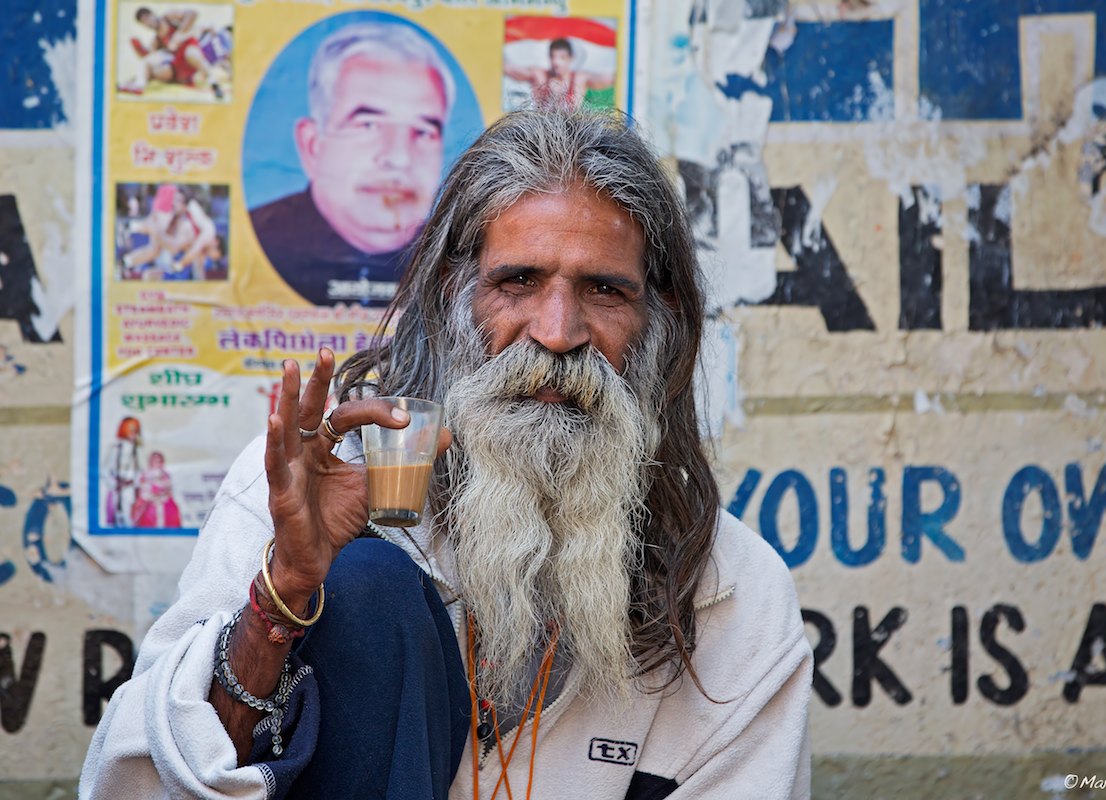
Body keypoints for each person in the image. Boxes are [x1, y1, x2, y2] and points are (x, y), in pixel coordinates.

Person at [82, 109, 813, 799]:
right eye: (518, 281)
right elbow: (130, 787)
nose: (558, 332)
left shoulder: (733, 594)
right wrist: (284, 597)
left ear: (660, 323)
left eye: (604, 290)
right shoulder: (314, 491)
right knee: (364, 586)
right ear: (451, 298)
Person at [250, 23, 453, 307]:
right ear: (312, 146)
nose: (399, 157)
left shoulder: (461, 258)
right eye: (368, 125)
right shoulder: (259, 241)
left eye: (423, 132)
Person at [121, 7, 226, 100]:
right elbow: (148, 59)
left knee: (190, 52)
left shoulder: (169, 17)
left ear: (152, 14)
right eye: (144, 23)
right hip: (180, 68)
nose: (147, 23)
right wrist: (138, 49)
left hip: (193, 53)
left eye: (147, 19)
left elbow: (192, 13)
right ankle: (137, 84)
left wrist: (178, 34)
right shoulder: (156, 40)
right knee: (154, 70)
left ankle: (214, 82)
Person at [120, 183, 221, 280]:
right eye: (214, 256)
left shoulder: (202, 250)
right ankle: (130, 227)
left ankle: (126, 261)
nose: (211, 257)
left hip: (175, 210)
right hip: (172, 199)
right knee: (167, 240)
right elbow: (194, 250)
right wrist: (180, 264)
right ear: (216, 243)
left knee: (155, 250)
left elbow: (198, 269)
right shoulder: (209, 232)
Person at [504, 37, 614, 111]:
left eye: (562, 57)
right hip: (541, 131)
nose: (556, 62)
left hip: (570, 135)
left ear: (570, 59)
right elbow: (510, 70)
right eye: (553, 57)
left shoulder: (579, 79)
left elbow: (611, 78)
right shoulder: (539, 75)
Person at [103, 417, 141, 527]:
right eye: (131, 430)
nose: (134, 434)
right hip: (116, 489)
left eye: (136, 430)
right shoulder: (115, 448)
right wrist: (115, 484)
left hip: (131, 490)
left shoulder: (138, 449)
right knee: (115, 518)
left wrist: (133, 482)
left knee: (131, 520)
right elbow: (105, 469)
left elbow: (140, 471)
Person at [132, 451, 183, 528]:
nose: (157, 463)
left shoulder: (166, 474)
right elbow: (143, 489)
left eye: (159, 461)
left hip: (163, 500)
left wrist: (162, 495)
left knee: (171, 511)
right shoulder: (145, 474)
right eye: (155, 461)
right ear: (151, 462)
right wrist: (150, 497)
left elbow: (168, 490)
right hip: (148, 500)